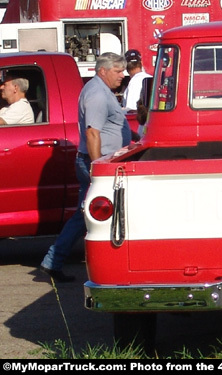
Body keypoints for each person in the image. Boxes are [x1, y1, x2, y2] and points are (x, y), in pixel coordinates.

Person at [40, 52, 132, 282]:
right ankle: (57, 260)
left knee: (84, 215)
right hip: (98, 163)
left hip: (98, 162)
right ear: (103, 70)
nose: (123, 75)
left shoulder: (101, 91)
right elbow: (92, 132)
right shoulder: (97, 94)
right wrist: (98, 166)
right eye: (118, 71)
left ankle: (53, 261)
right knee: (93, 214)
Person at [122, 49, 152, 137]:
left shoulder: (134, 83)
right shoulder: (151, 78)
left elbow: (131, 111)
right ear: (141, 62)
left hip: (141, 127)